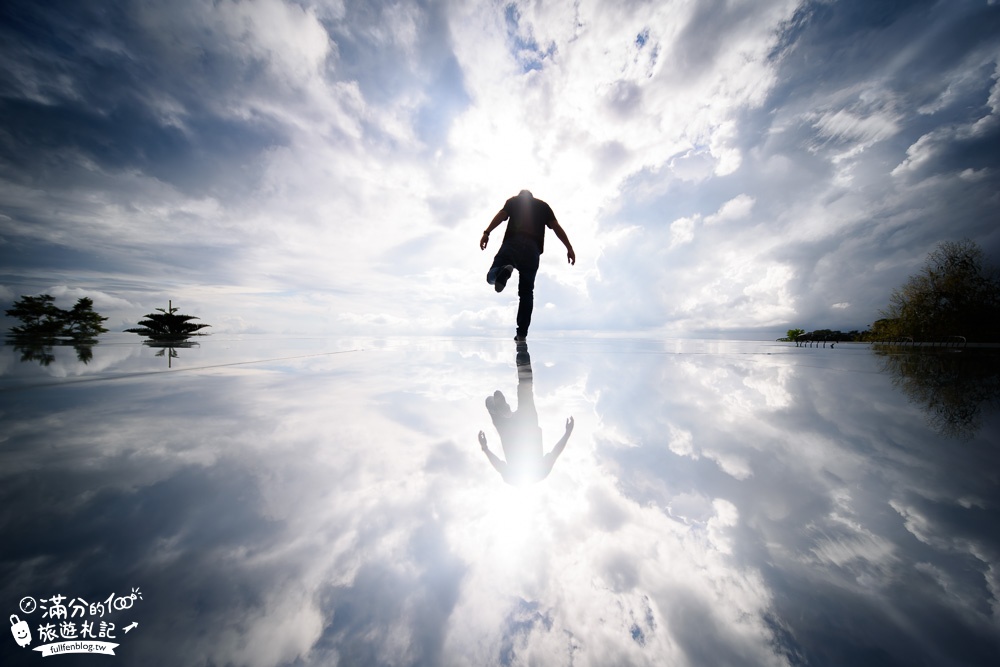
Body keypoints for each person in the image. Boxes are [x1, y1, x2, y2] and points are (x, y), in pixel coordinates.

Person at [480, 190, 575, 341]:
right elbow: (556, 227)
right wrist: (569, 248)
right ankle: (521, 334)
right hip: (532, 251)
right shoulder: (544, 206)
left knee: (491, 277)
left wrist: (487, 232)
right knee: (526, 293)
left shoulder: (513, 201)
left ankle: (502, 272)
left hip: (512, 244)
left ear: (521, 195)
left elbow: (502, 216)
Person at [478, 342, 574, 486]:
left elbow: (556, 452)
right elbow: (498, 465)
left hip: (528, 425)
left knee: (526, 388)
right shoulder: (515, 479)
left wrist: (567, 433)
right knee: (489, 401)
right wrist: (485, 448)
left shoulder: (541, 474)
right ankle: (505, 413)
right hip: (509, 430)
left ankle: (522, 351)